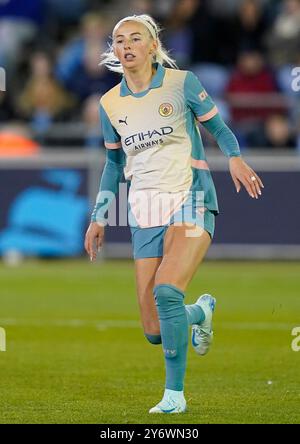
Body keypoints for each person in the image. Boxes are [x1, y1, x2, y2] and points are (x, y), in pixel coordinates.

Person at [84, 14, 264, 414]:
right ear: (113, 50)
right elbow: (114, 166)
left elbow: (219, 128)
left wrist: (234, 158)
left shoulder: (182, 83)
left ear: (152, 46)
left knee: (167, 291)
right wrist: (99, 217)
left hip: (191, 197)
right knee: (153, 329)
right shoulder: (109, 104)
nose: (126, 45)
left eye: (135, 38)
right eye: (119, 40)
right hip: (143, 209)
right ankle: (201, 312)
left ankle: (174, 396)